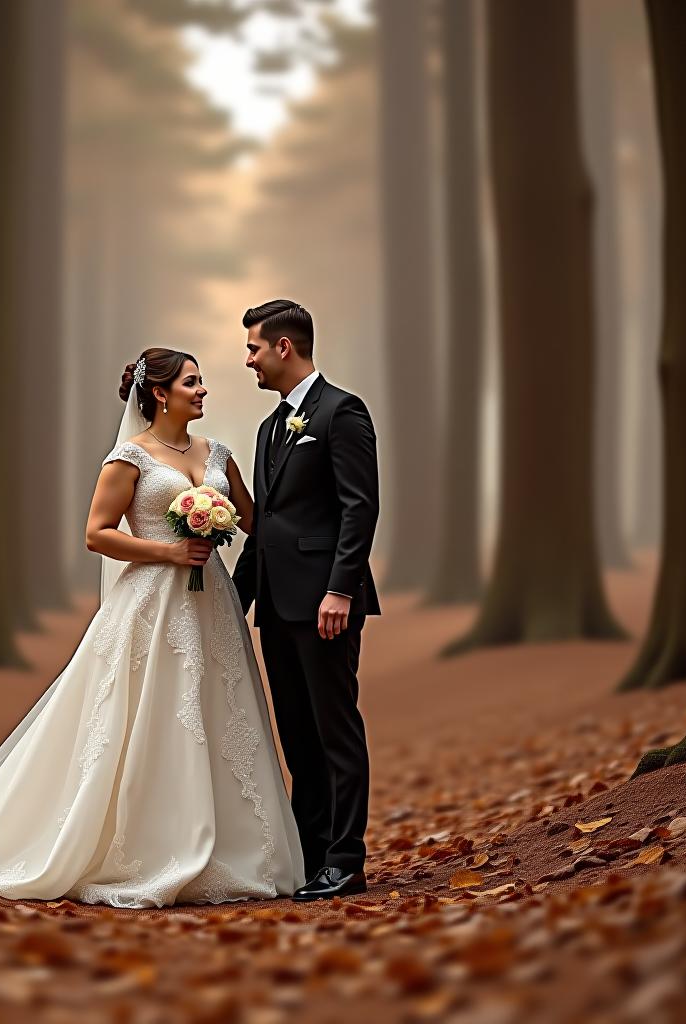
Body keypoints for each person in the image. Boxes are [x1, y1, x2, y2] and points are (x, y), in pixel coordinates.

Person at [0, 348, 304, 908]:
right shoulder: (129, 458)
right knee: (146, 713)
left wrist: (221, 529)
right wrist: (167, 551)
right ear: (160, 394)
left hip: (211, 602)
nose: (203, 390)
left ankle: (228, 849)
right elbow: (97, 533)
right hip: (152, 602)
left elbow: (253, 518)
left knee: (218, 710)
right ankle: (145, 846)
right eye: (192, 383)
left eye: (202, 383)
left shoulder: (219, 453)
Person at [233, 299, 380, 902]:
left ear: (284, 347)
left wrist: (339, 588)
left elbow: (359, 507)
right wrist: (234, 597)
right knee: (297, 734)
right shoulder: (271, 427)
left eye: (253, 348)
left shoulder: (342, 412)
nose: (249, 361)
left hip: (326, 605)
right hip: (277, 606)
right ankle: (312, 855)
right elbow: (266, 522)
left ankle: (346, 860)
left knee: (334, 731)